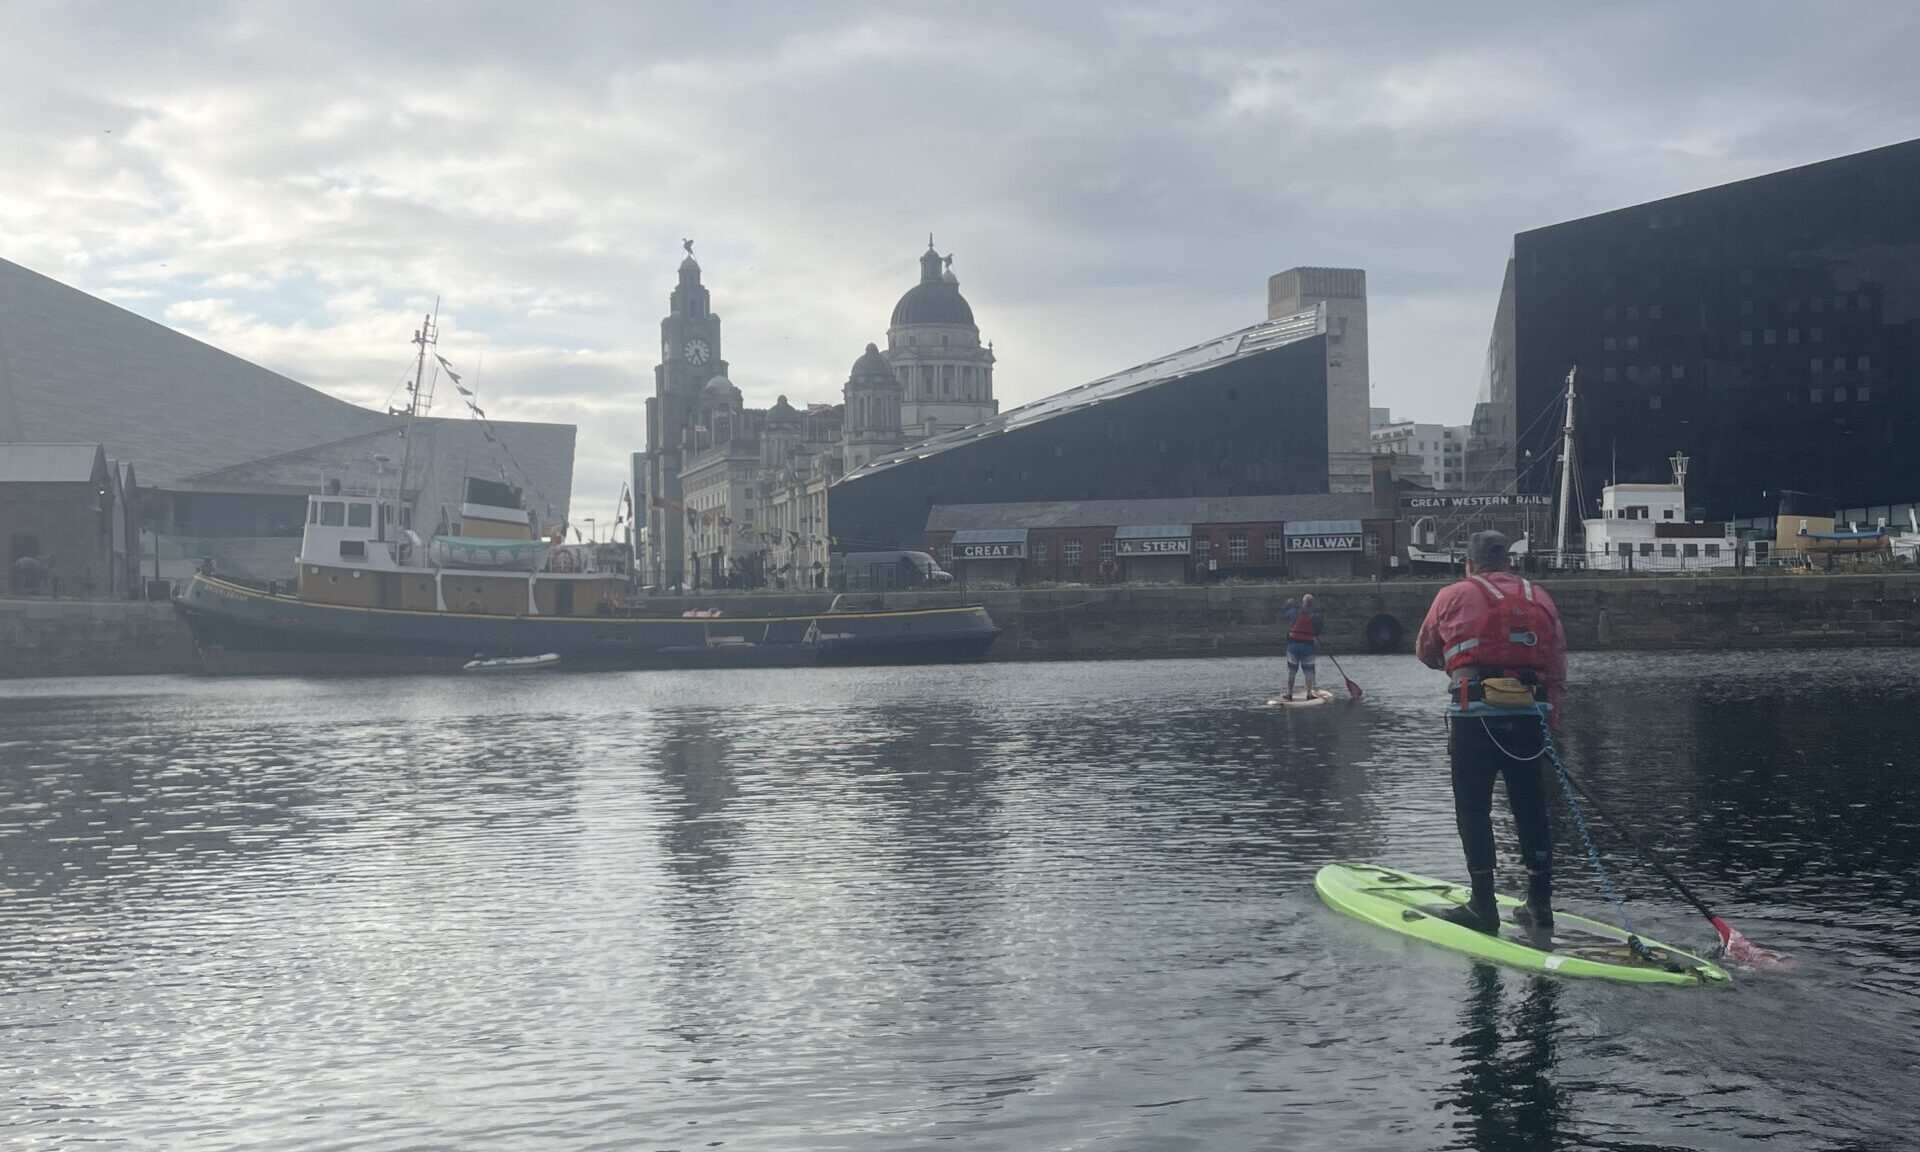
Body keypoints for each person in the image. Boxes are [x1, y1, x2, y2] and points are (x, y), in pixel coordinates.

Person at [1415, 531, 1568, 936]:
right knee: (1531, 808)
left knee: (1474, 809)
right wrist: (1550, 718)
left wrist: (1464, 661)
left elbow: (1426, 651)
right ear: (1508, 562)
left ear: (1470, 563)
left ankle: (1483, 904)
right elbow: (1556, 663)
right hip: (1529, 718)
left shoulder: (1453, 595)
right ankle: (1540, 904)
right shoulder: (1541, 598)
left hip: (1474, 716)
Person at [1281, 593, 1322, 701]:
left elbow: (1285, 615)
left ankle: (1289, 694)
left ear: (1303, 602)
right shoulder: (1315, 615)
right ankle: (1309, 694)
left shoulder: (1294, 612)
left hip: (1293, 646)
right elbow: (1319, 629)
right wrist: (1315, 635)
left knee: (1291, 670)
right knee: (1309, 671)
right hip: (1308, 646)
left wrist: (1287, 605)